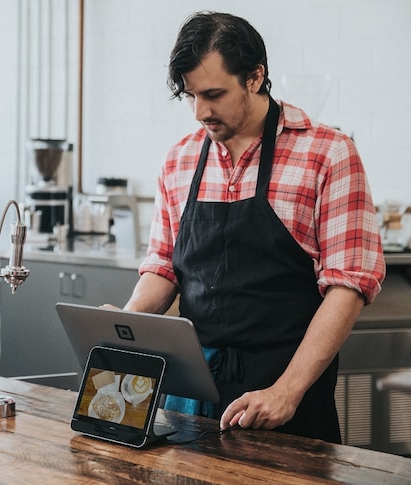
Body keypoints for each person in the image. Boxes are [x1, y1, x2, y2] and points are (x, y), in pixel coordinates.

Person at [116, 12, 385, 443]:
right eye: (190, 96)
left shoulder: (328, 153)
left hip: (283, 393)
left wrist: (287, 391)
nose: (201, 111)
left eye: (214, 94)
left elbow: (348, 286)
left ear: (255, 77)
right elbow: (164, 268)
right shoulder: (179, 159)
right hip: (191, 391)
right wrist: (125, 324)